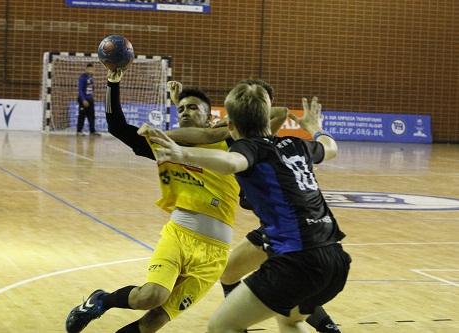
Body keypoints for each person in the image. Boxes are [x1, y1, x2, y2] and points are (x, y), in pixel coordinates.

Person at [65, 70, 263, 333]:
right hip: (179, 235)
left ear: (210, 117)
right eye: (179, 108)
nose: (184, 112)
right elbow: (117, 127)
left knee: (152, 323)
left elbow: (273, 115)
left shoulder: (231, 142)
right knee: (150, 296)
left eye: (192, 107)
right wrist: (113, 84)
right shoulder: (164, 145)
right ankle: (102, 300)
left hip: (215, 253)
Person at [147, 82, 351, 333]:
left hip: (298, 259)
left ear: (230, 126)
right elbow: (331, 148)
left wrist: (182, 154)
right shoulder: (296, 145)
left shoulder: (249, 148)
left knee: (221, 327)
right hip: (335, 257)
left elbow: (230, 162)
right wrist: (315, 128)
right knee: (289, 319)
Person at [77, 63, 100, 136]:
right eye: (89, 69)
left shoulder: (91, 78)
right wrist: (83, 100)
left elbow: (91, 89)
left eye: (92, 69)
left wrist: (92, 97)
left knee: (92, 116)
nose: (91, 71)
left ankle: (92, 131)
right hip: (83, 100)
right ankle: (79, 131)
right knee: (82, 116)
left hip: (90, 100)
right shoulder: (82, 78)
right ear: (86, 69)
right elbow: (80, 90)